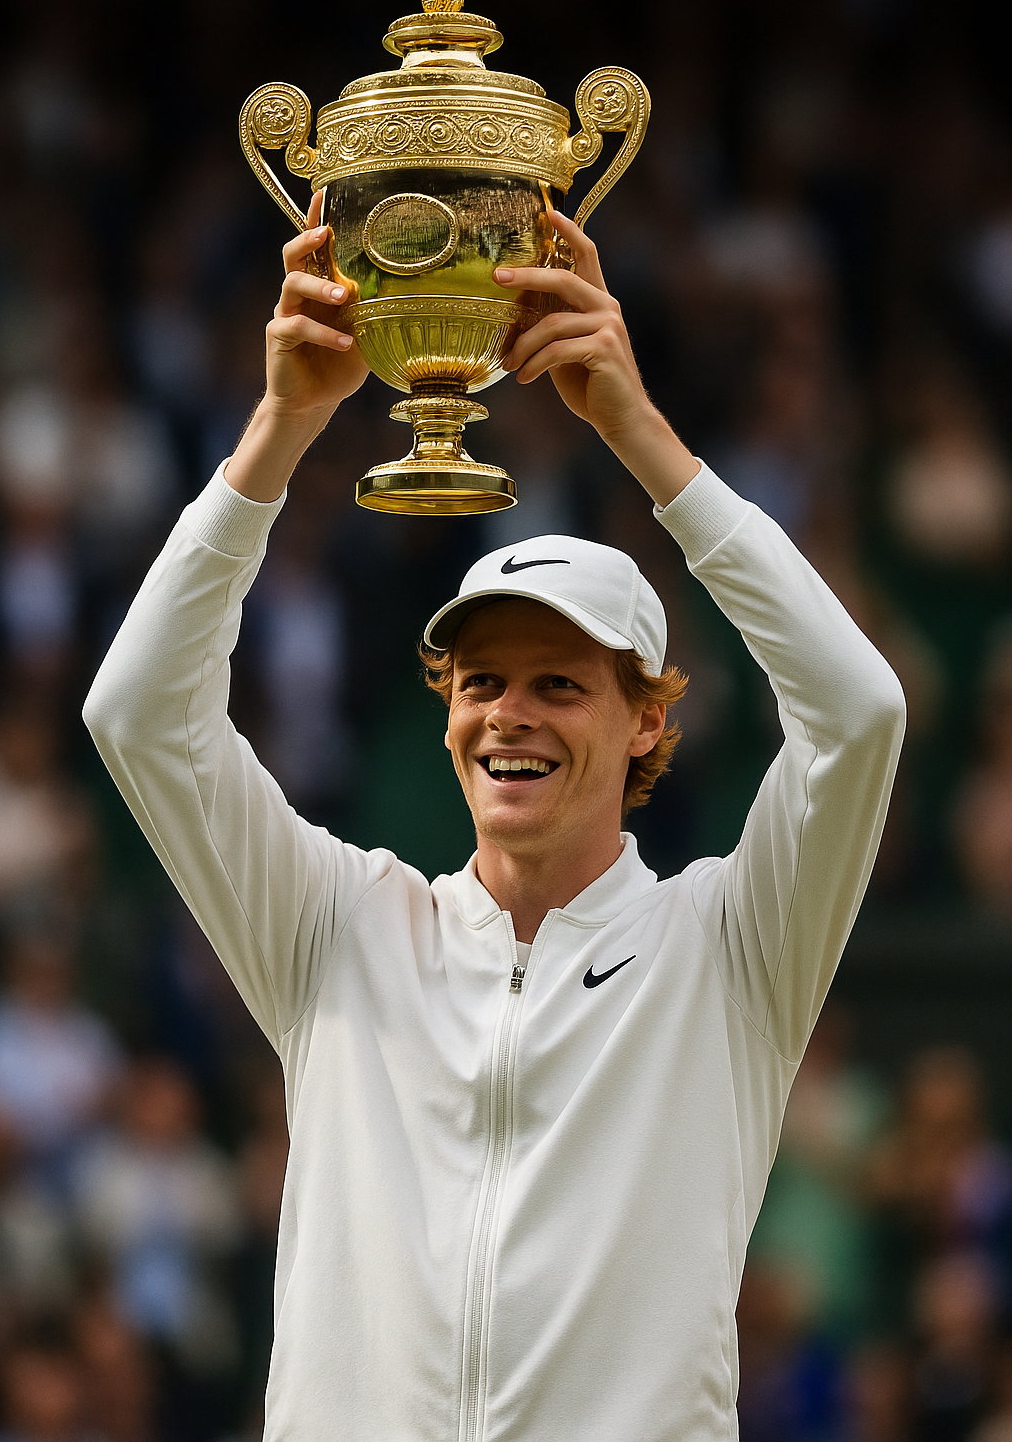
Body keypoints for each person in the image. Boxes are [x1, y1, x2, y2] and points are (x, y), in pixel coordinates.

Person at [83, 199, 905, 1441]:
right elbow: (138, 711)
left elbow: (858, 711)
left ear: (646, 720)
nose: (508, 716)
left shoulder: (729, 947)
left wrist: (634, 432)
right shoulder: (336, 924)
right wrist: (284, 423)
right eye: (482, 682)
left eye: (560, 683)